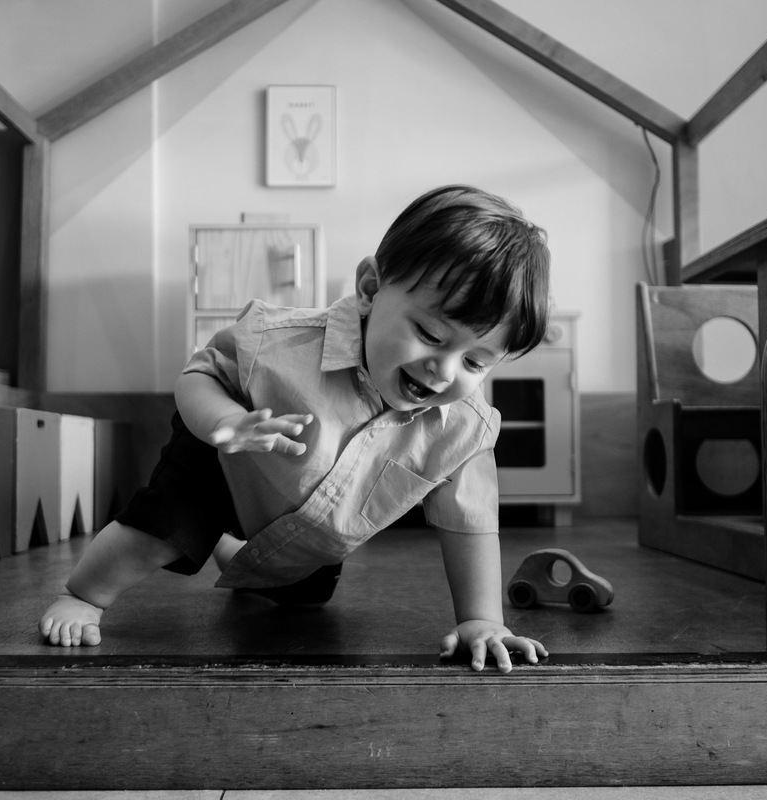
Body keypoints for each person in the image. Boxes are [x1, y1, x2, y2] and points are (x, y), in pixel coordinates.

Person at [39, 184, 552, 673]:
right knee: (161, 533)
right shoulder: (279, 342)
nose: (444, 370)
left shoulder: (463, 429)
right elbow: (200, 373)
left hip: (315, 519)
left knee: (307, 594)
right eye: (430, 334)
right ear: (371, 288)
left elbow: (471, 524)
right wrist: (226, 423)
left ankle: (232, 548)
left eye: (476, 362)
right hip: (225, 453)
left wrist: (481, 620)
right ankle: (83, 593)